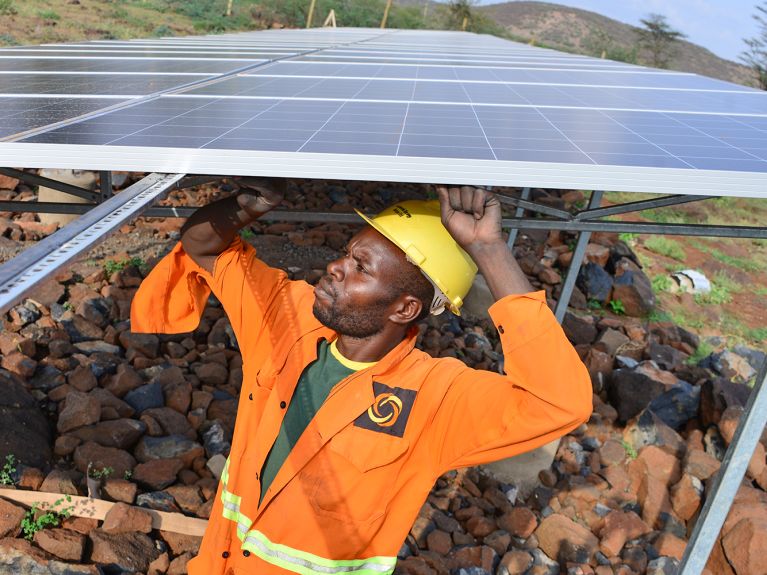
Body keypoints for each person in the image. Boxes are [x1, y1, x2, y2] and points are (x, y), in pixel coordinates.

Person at [130, 178, 592, 575]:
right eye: (346, 255)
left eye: (360, 268)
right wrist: (248, 205)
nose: (335, 267)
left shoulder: (435, 399)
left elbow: (559, 401)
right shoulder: (285, 321)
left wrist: (489, 249)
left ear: (405, 308)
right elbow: (205, 247)